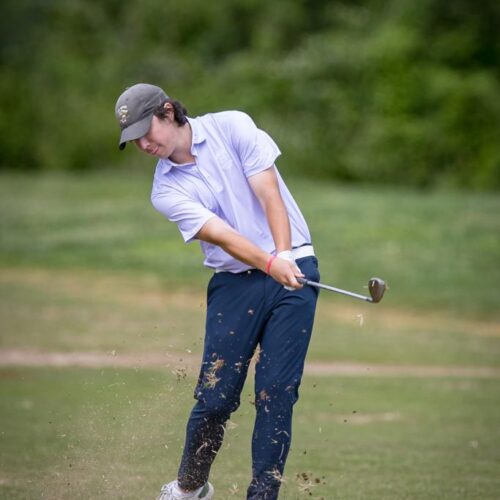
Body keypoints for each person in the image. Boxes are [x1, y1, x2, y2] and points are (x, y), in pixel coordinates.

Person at [114, 83, 320, 500]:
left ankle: (263, 495)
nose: (142, 143)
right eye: (133, 139)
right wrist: (268, 263)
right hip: (233, 285)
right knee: (216, 397)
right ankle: (189, 488)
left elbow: (269, 194)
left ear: (168, 112)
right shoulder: (165, 191)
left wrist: (283, 256)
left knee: (276, 393)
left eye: (145, 131)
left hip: (295, 268)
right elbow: (222, 235)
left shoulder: (233, 126)